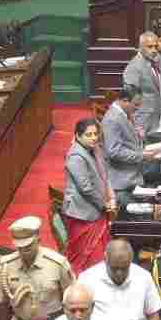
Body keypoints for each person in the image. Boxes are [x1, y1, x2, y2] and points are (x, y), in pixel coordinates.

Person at [59, 117, 112, 275]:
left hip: (96, 209)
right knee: (86, 259)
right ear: (77, 136)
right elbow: (86, 188)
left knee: (100, 255)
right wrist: (104, 204)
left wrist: (111, 198)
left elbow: (104, 176)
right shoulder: (76, 157)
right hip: (82, 214)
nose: (94, 137)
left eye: (95, 134)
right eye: (88, 135)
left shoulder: (95, 150)